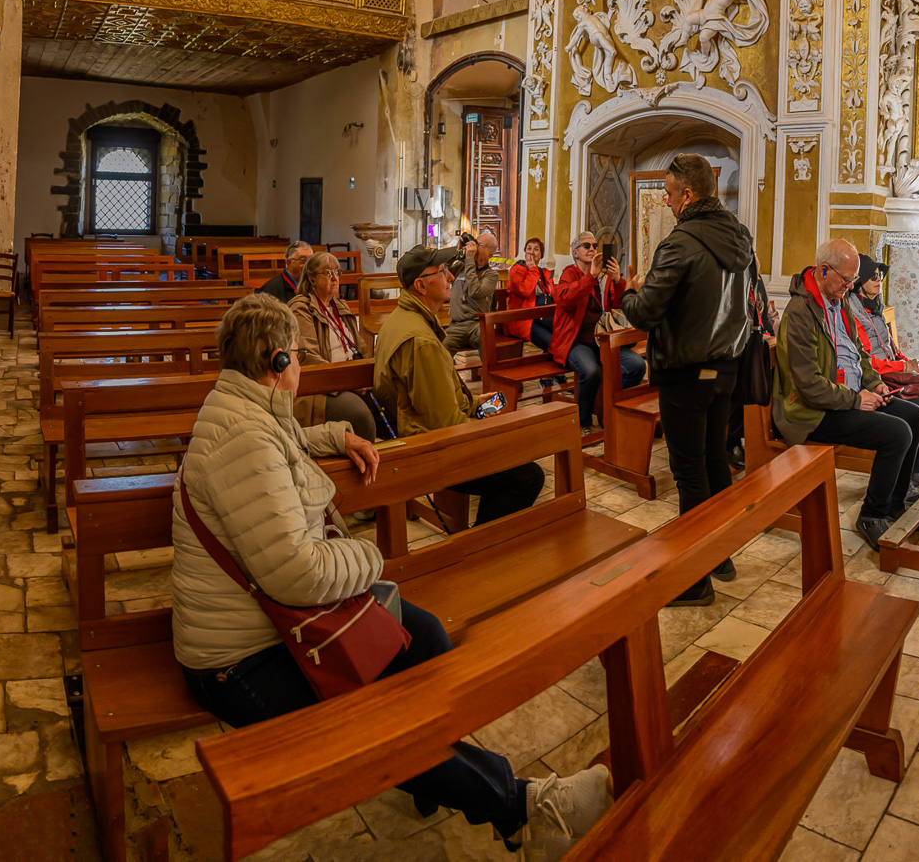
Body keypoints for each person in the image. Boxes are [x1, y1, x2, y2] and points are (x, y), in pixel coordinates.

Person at [172, 294, 609, 860]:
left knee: (424, 635)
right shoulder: (242, 439)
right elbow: (298, 576)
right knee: (376, 728)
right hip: (240, 659)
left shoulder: (246, 409)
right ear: (278, 362)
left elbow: (284, 444)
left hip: (283, 622)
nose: (299, 363)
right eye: (297, 355)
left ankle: (437, 774)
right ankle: (523, 807)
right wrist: (371, 558)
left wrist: (335, 436)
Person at [622, 155, 754, 607]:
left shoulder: (680, 243)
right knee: (715, 459)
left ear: (688, 195)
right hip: (726, 369)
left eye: (670, 192)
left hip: (686, 371)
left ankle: (694, 580)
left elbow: (645, 313)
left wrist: (629, 292)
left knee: (689, 470)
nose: (666, 199)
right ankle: (721, 557)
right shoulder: (740, 236)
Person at [374, 244, 543, 525]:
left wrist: (474, 404)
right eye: (442, 271)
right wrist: (486, 429)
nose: (450, 277)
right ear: (421, 285)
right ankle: (480, 544)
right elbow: (446, 426)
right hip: (432, 452)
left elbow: (430, 399)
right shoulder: (421, 342)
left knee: (505, 424)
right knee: (528, 474)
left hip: (419, 432)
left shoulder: (403, 319)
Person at [773, 240, 919, 551]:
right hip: (812, 412)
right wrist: (857, 400)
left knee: (915, 415)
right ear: (824, 270)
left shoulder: (838, 302)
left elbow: (859, 354)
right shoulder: (800, 313)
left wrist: (874, 382)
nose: (850, 286)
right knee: (897, 433)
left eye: (854, 280)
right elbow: (809, 385)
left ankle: (895, 502)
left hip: (846, 397)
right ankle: (872, 515)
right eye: (846, 279)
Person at [845, 254, 919, 493]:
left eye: (880, 275)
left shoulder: (876, 307)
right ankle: (907, 477)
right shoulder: (853, 312)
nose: (879, 280)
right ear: (859, 282)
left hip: (891, 372)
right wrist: (902, 368)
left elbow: (891, 348)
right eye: (873, 276)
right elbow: (868, 360)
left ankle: (917, 468)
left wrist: (909, 364)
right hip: (878, 378)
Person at [548, 231, 646, 434]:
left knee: (636, 366)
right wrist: (590, 277)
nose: (592, 249)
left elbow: (619, 305)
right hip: (576, 341)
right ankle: (583, 422)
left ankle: (612, 409)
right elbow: (565, 300)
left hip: (603, 339)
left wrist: (618, 280)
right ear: (575, 252)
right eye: (587, 246)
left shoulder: (605, 276)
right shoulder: (569, 273)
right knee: (591, 372)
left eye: (595, 245)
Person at [289, 251, 378, 440]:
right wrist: (348, 381)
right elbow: (307, 357)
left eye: (338, 272)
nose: (335, 278)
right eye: (328, 273)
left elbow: (360, 347)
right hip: (321, 387)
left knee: (392, 394)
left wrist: (366, 374)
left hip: (350, 377)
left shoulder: (340, 306)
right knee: (359, 415)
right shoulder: (301, 308)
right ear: (312, 279)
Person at [726, 269, 778, 472]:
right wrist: (756, 335)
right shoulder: (729, 277)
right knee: (743, 379)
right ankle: (732, 440)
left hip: (759, 341)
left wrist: (781, 331)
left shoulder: (755, 276)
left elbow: (769, 314)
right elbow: (732, 316)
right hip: (736, 347)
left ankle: (763, 436)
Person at [445, 231, 499, 354]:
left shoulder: (491, 275)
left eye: (479, 245)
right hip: (456, 325)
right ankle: (451, 368)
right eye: (474, 242)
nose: (473, 247)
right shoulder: (460, 267)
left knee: (487, 342)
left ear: (489, 255)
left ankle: (489, 367)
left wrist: (469, 260)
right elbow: (443, 270)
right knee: (441, 349)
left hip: (478, 325)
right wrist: (457, 252)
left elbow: (475, 292)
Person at [506, 237, 557, 351]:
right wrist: (533, 269)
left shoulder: (544, 273)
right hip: (524, 321)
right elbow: (525, 291)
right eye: (529, 248)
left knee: (563, 337)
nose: (532, 252)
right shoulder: (517, 270)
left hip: (544, 318)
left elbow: (553, 297)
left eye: (536, 249)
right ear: (525, 252)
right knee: (553, 344)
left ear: (541, 254)